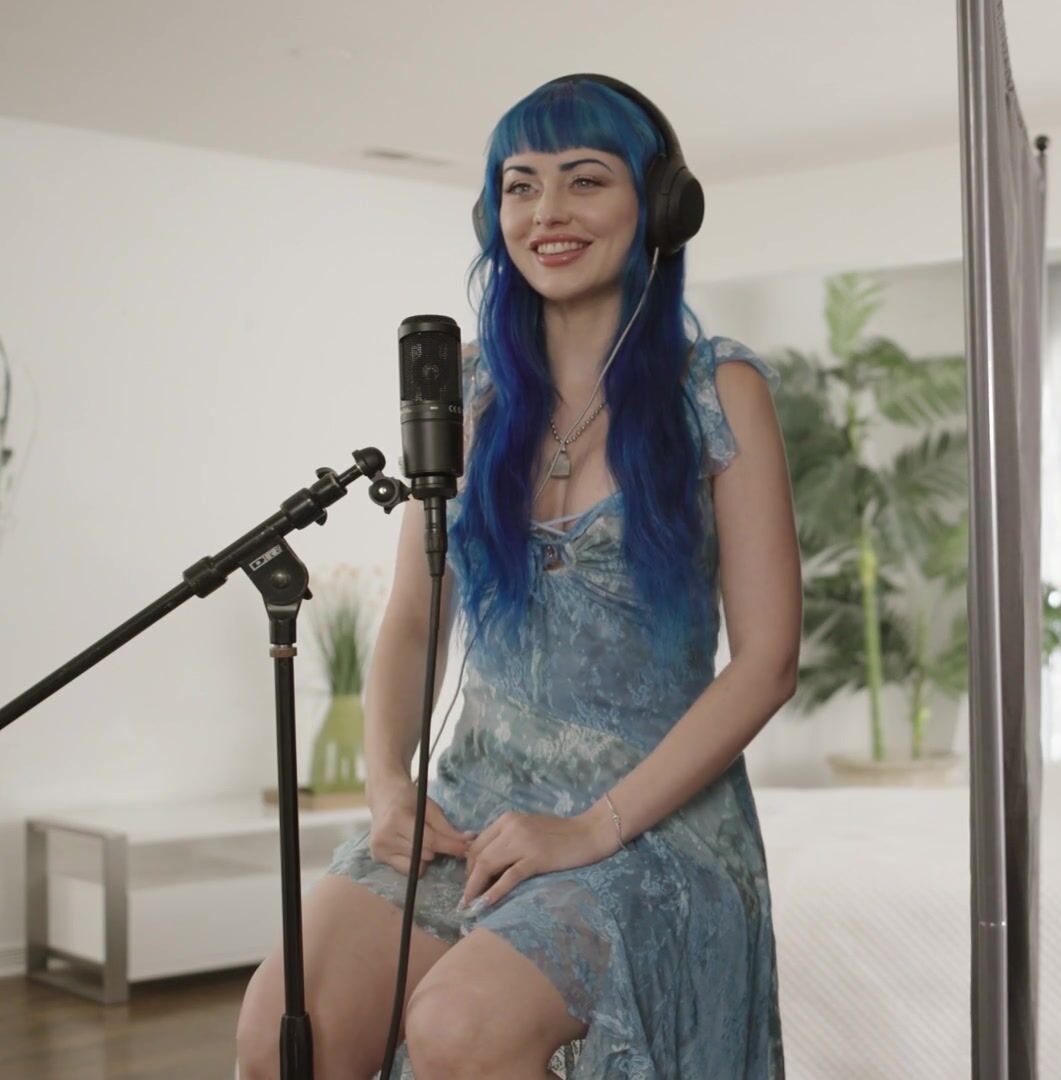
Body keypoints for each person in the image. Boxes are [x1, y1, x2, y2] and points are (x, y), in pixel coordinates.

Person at [235, 74, 800, 1079]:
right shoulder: (467, 393)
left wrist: (590, 828)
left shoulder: (719, 390)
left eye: (585, 180)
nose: (547, 213)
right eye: (520, 186)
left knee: (461, 1027)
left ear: (660, 206)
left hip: (648, 818)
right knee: (287, 1025)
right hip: (477, 801)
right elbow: (415, 620)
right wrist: (387, 785)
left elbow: (768, 663)